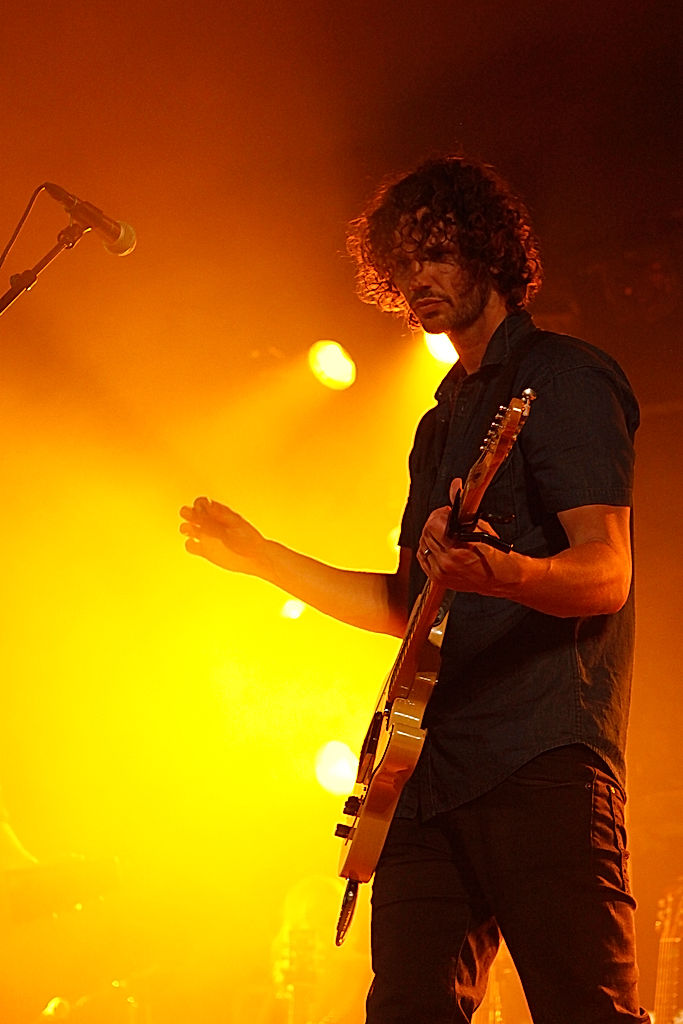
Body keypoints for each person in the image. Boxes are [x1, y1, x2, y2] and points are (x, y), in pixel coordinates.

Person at [180, 154, 650, 1023]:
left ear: (489, 253)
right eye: (400, 266)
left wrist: (501, 572)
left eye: (434, 254)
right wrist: (264, 558)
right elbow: (408, 606)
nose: (415, 281)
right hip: (425, 773)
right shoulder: (438, 423)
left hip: (540, 757)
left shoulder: (564, 376)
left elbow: (606, 572)